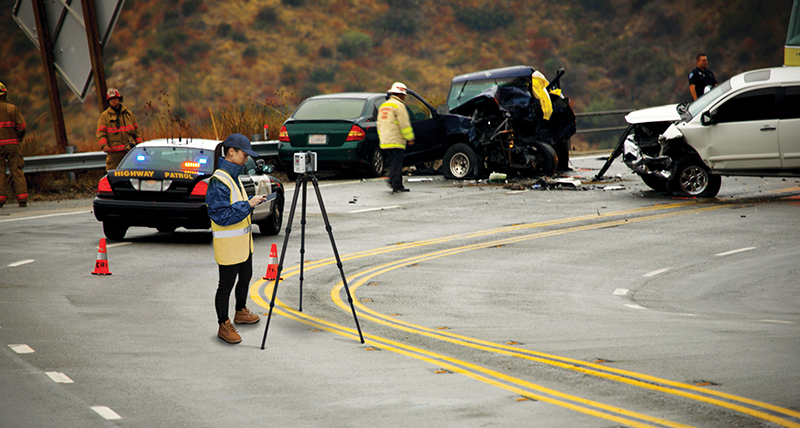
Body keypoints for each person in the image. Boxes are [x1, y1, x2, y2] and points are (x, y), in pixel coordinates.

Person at [206, 133, 267, 344]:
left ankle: (240, 311)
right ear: (231, 152)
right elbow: (221, 216)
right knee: (226, 286)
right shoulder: (219, 181)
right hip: (229, 247)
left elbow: (235, 207)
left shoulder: (234, 177)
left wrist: (250, 202)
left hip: (242, 245)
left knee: (245, 276)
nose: (246, 159)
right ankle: (223, 324)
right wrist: (248, 205)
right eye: (243, 154)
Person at [377, 82, 415, 193]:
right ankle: (396, 184)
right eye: (403, 95)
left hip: (385, 140)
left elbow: (379, 124)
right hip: (396, 140)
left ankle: (394, 181)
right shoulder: (399, 106)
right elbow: (404, 124)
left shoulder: (383, 106)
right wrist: (410, 138)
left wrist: (382, 137)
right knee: (397, 163)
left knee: (393, 163)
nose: (404, 97)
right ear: (399, 95)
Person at [96, 88, 143, 171]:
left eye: (115, 99)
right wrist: (104, 145)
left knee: (132, 172)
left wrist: (139, 145)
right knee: (112, 174)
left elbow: (136, 131)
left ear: (119, 99)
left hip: (129, 151)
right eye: (111, 99)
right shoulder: (104, 116)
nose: (113, 101)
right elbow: (101, 133)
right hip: (113, 153)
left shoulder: (128, 114)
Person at [0, 82, 28, 208]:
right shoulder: (12, 109)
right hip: (12, 145)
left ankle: (0, 200)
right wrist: (18, 139)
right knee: (16, 170)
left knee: (0, 172)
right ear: (4, 95)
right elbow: (21, 127)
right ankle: (22, 199)